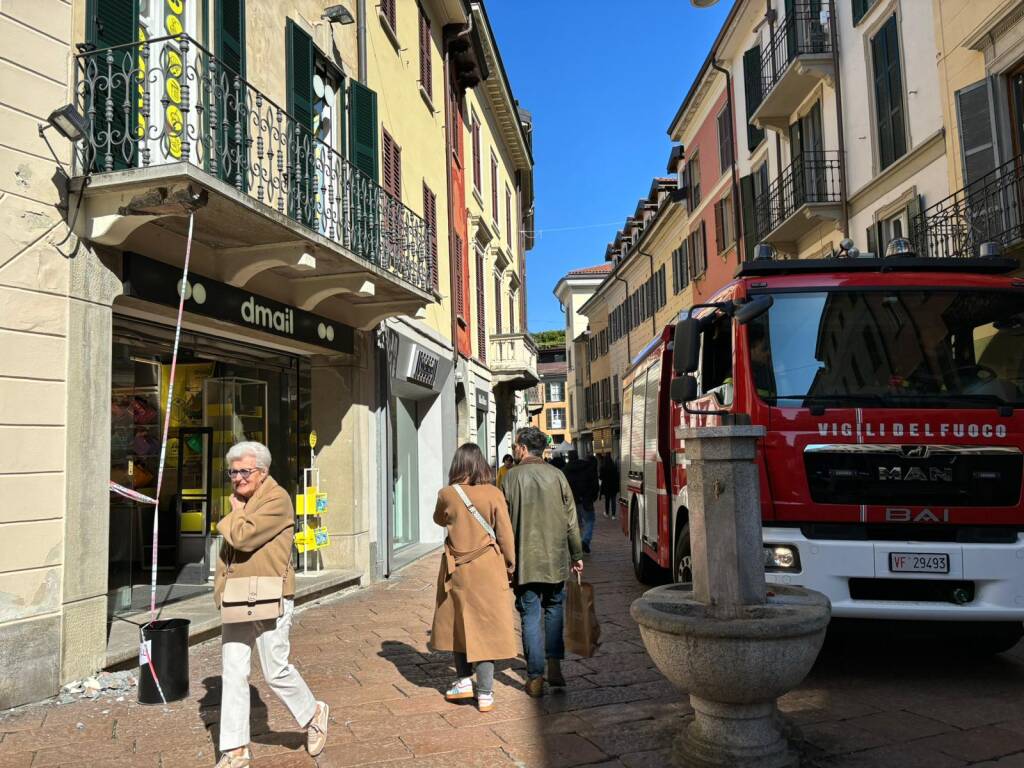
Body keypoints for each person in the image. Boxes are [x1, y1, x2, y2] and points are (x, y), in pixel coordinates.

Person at [213, 441, 329, 768]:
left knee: (275, 670)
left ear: (262, 473)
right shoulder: (245, 500)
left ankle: (314, 712)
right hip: (238, 596)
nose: (237, 478)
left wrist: (236, 513)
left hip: (271, 596)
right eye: (233, 472)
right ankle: (235, 749)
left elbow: (243, 537)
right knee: (233, 670)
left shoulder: (277, 500)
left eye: (244, 471)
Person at [430, 444, 518, 713]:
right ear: (481, 465)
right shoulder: (493, 493)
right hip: (488, 569)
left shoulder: (447, 494)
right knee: (486, 629)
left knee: (459, 625)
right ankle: (486, 694)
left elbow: (438, 519)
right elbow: (505, 534)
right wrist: (510, 565)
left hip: (458, 569)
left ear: (457, 465)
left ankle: (463, 681)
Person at [502, 426, 584, 697]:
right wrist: (577, 554)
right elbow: (571, 519)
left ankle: (535, 678)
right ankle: (555, 668)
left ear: (523, 448)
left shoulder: (510, 478)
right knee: (554, 611)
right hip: (555, 559)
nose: (515, 450)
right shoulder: (557, 475)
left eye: (516, 446)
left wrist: (505, 560)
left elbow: (501, 524)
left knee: (530, 615)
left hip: (524, 561)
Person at [562, 452, 599, 553]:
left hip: (573, 501)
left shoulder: (565, 470)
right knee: (589, 521)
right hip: (586, 499)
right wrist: (592, 496)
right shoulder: (587, 467)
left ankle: (576, 545)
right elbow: (594, 483)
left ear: (569, 458)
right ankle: (585, 541)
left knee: (574, 524)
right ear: (578, 456)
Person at [599, 454, 619, 519]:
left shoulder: (603, 467)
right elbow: (617, 476)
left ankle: (607, 513)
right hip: (613, 486)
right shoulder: (614, 466)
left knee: (607, 500)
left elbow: (601, 477)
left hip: (606, 486)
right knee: (613, 501)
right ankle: (613, 515)